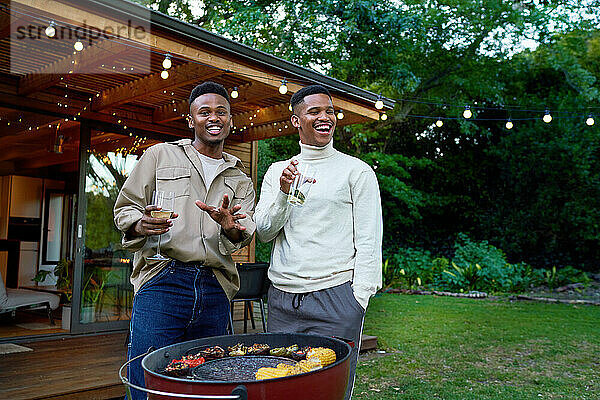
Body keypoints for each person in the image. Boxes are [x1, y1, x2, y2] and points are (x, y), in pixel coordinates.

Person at [114, 81, 256, 400]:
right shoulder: (160, 156)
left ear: (231, 121)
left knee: (212, 382)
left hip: (215, 285)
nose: (214, 117)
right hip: (163, 279)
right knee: (146, 382)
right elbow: (125, 208)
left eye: (222, 112)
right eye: (204, 112)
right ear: (191, 121)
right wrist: (140, 223)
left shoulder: (240, 179)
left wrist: (229, 226)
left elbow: (240, 235)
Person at [254, 84, 382, 399]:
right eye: (314, 112)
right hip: (283, 300)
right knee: (280, 388)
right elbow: (265, 231)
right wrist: (284, 193)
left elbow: (369, 240)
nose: (325, 117)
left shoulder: (356, 172)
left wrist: (358, 299)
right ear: (296, 120)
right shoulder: (277, 171)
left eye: (329, 111)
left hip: (336, 299)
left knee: (328, 392)